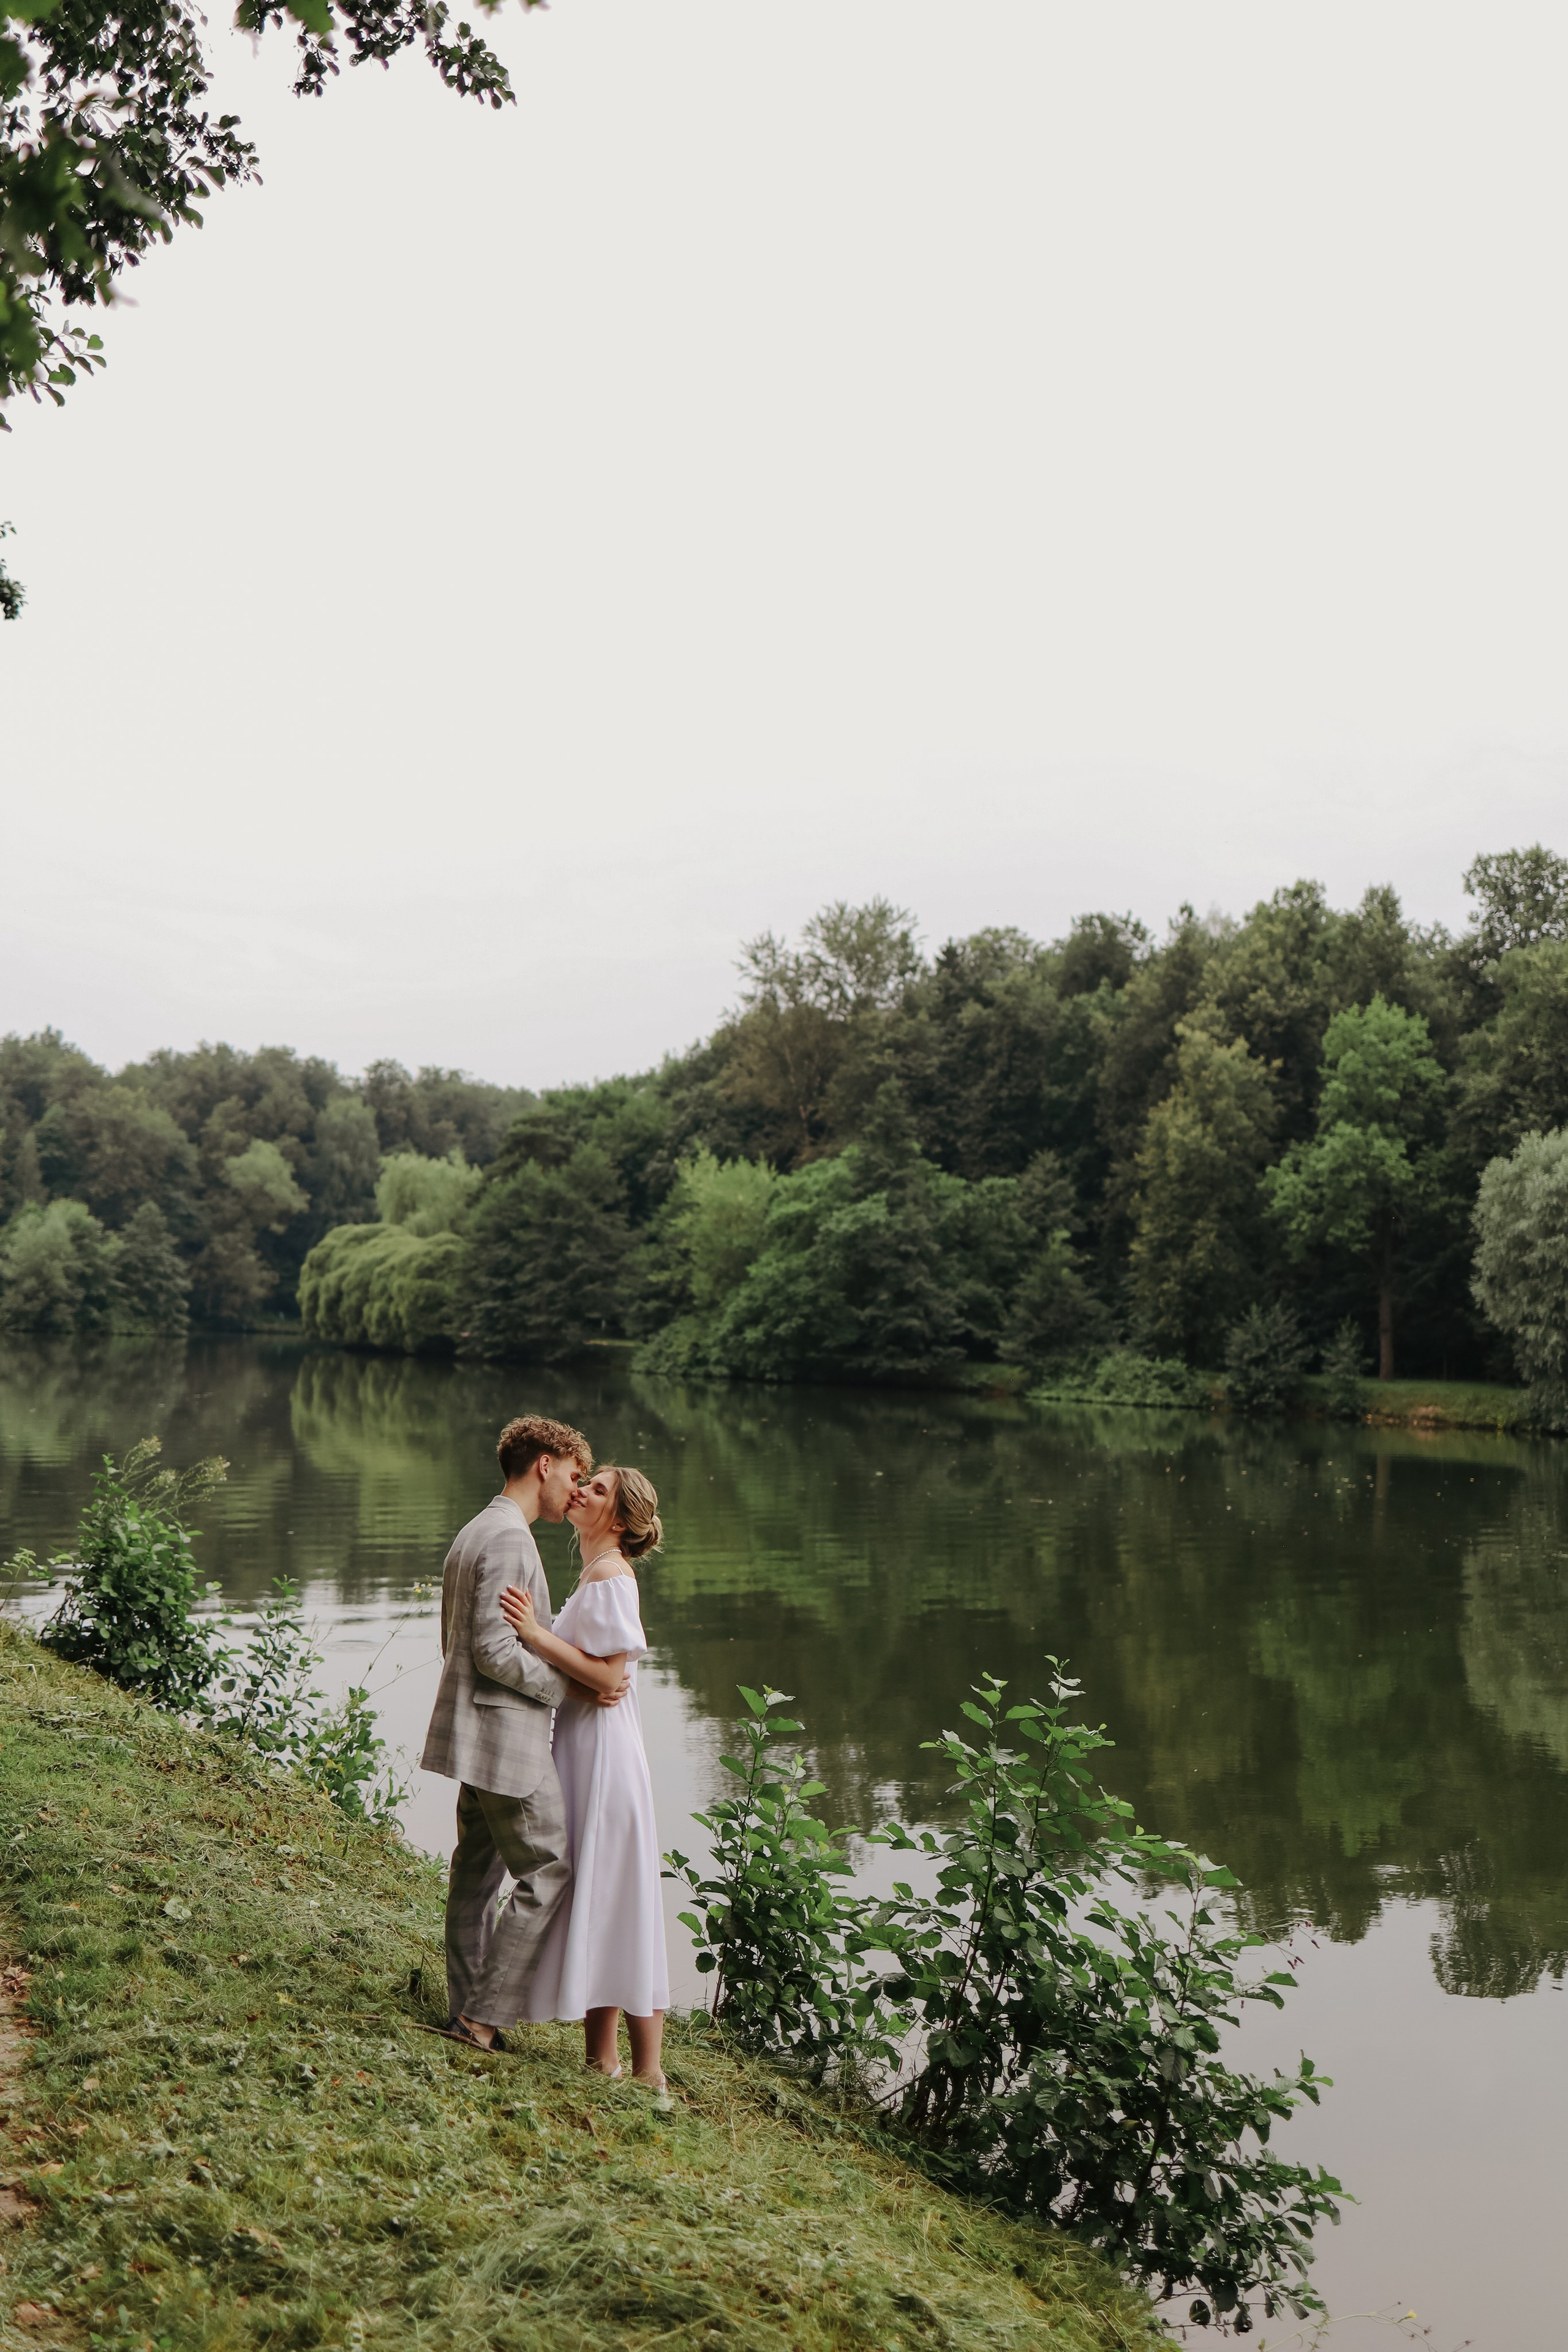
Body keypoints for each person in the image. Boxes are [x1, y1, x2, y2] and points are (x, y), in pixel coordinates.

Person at [420, 1412, 622, 2051]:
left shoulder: (480, 1527)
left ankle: (466, 2011)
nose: (576, 1487)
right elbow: (490, 1649)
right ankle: (481, 2018)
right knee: (550, 1869)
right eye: (574, 1473)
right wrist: (568, 1689)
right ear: (545, 1465)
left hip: (477, 1735)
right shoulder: (509, 1538)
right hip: (505, 1739)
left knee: (475, 1877)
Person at [500, 1463, 671, 2095]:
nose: (581, 1490)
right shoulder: (595, 1574)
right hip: (586, 1747)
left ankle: (650, 2072)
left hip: (605, 1757)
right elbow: (595, 1676)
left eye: (597, 1489)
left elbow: (607, 1677)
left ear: (619, 1520)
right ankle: (602, 2060)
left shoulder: (609, 1576)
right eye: (584, 1480)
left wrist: (534, 1634)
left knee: (621, 1900)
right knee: (600, 1893)